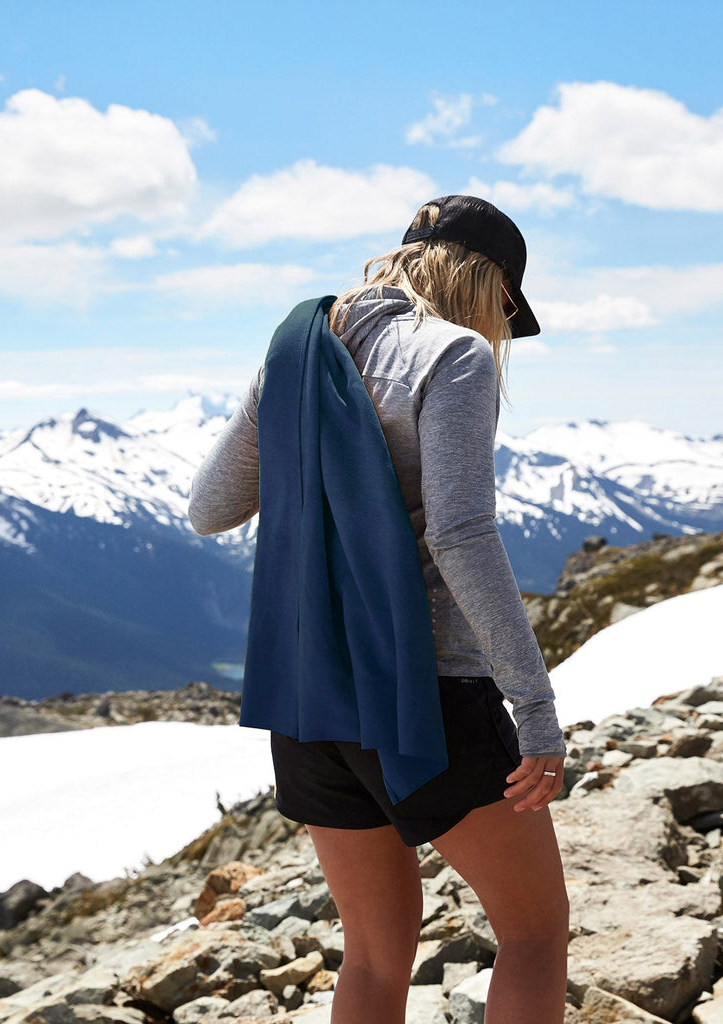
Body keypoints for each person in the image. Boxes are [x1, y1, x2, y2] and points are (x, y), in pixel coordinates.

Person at [189, 195, 569, 1024]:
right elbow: (464, 534)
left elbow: (211, 506)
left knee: (374, 954)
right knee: (537, 933)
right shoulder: (455, 356)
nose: (505, 326)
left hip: (308, 694)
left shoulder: (297, 351)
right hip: (424, 691)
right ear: (489, 283)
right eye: (509, 306)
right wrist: (534, 708)